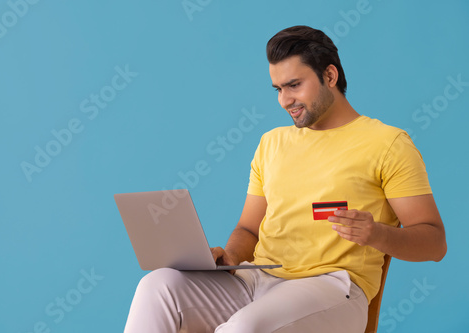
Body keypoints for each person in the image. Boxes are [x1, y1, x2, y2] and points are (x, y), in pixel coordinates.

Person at [123, 25, 447, 333]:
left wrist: (377, 233)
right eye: (278, 89)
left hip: (333, 287)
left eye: (294, 85)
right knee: (158, 285)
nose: (284, 100)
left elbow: (434, 241)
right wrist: (230, 257)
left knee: (242, 328)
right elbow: (249, 228)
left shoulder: (387, 144)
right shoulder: (271, 143)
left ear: (330, 75)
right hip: (254, 281)